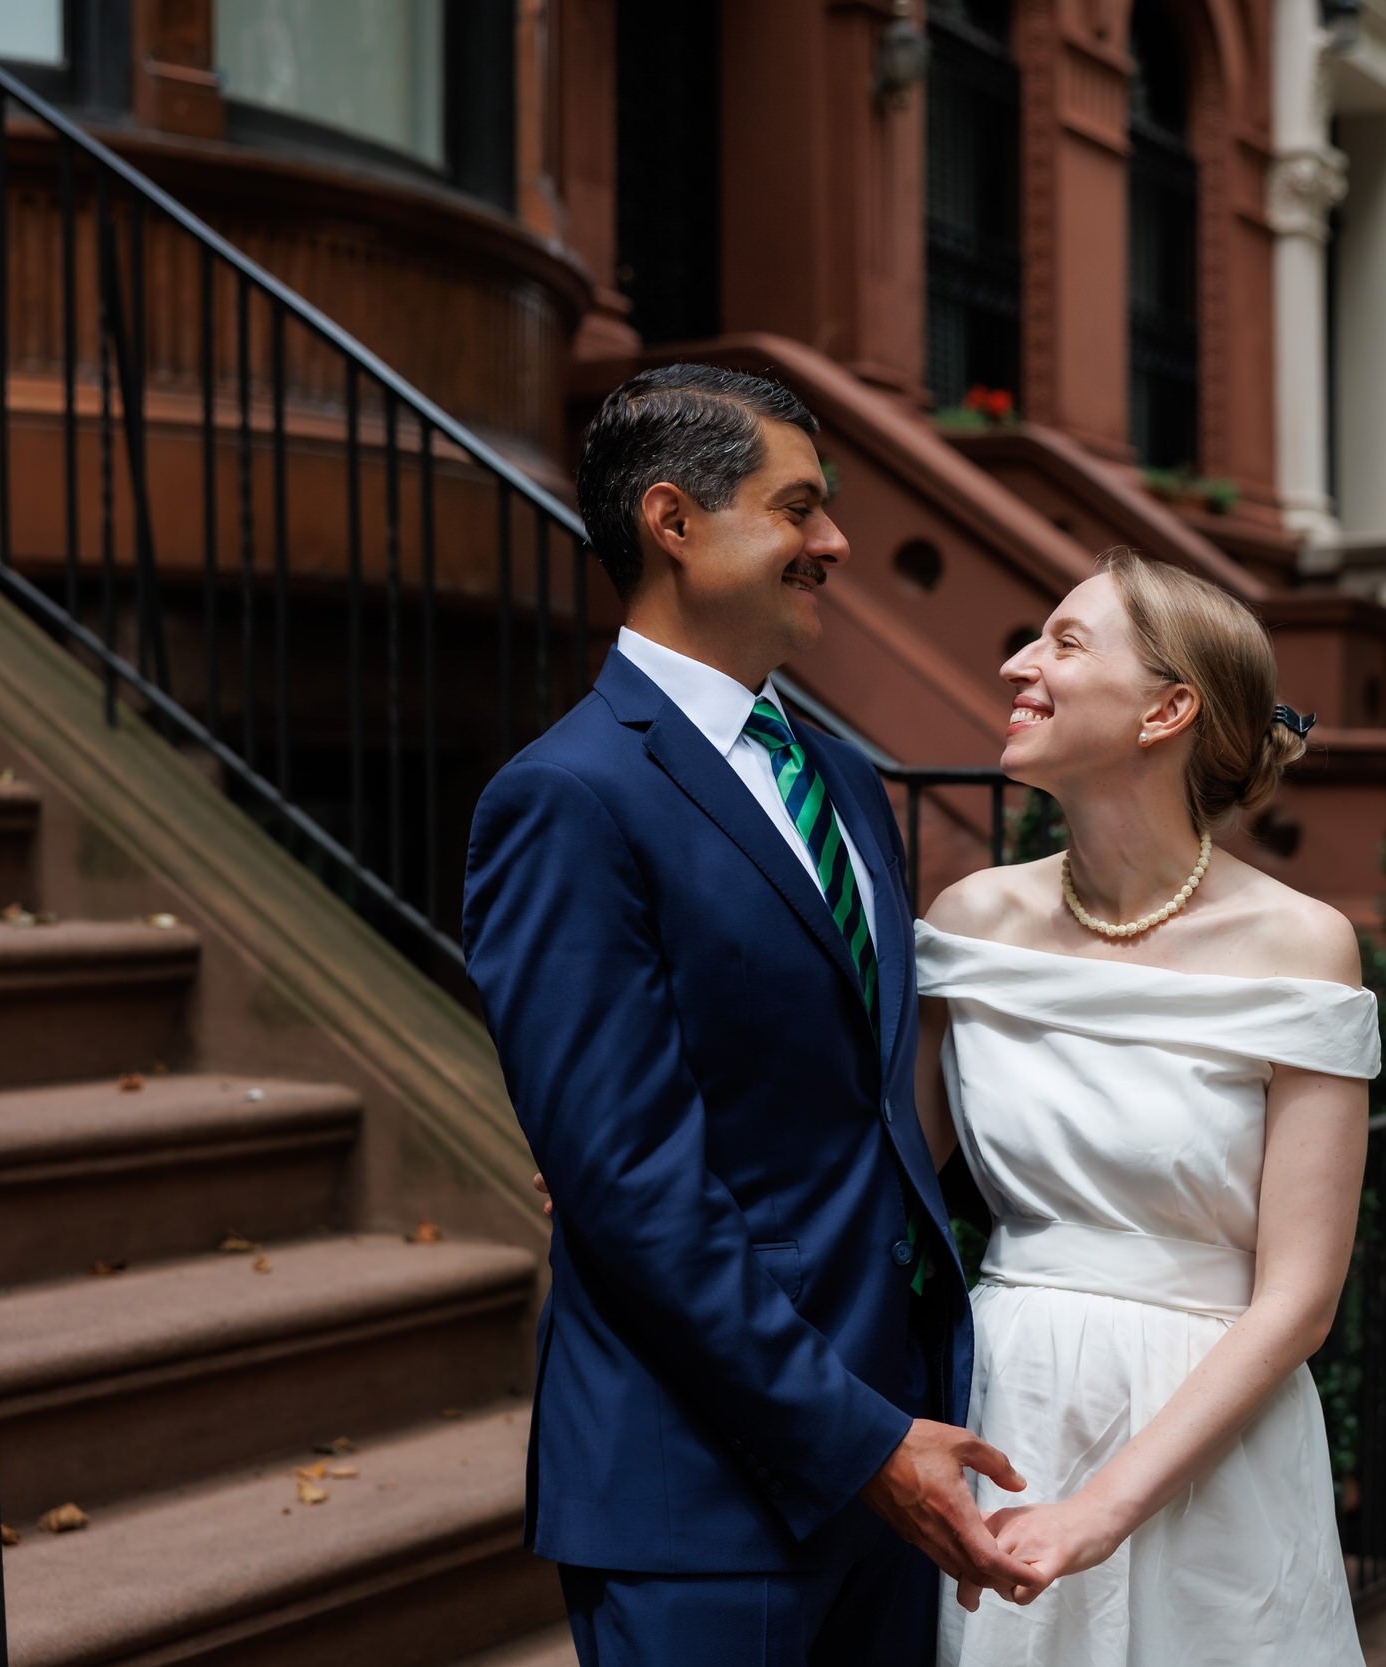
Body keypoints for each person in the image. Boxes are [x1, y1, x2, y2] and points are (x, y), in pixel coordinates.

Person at [462, 363, 1042, 1667]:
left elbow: (862, 1108)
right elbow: (632, 1187)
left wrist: (903, 1422)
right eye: (799, 508)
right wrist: (858, 1436)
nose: (834, 542)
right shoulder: (567, 797)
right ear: (673, 520)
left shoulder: (840, 773)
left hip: (896, 1455)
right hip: (704, 1492)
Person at [919, 549, 1376, 1665]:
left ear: (1167, 708)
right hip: (1007, 1402)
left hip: (1210, 1432)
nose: (1020, 662)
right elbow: (861, 1161)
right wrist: (660, 1158)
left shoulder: (1300, 944)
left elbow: (1300, 1297)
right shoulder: (973, 917)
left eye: (1065, 642)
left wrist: (1101, 1508)